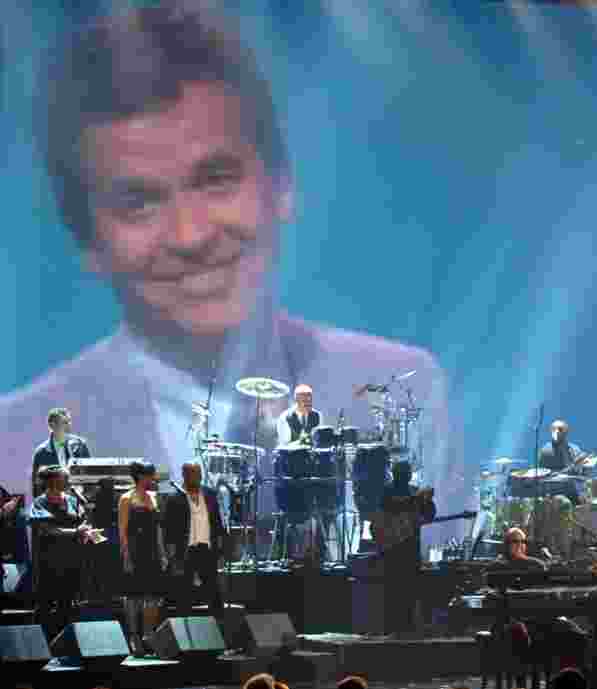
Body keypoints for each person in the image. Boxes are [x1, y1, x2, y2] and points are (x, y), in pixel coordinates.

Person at [0, 3, 459, 533]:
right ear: (87, 240)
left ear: (282, 184)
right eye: (139, 203)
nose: (190, 235)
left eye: (216, 178)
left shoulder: (401, 386)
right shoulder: (12, 444)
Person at [29, 466, 94, 637]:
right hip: (49, 560)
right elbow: (47, 530)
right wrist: (75, 532)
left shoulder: (73, 500)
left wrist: (85, 529)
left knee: (68, 601)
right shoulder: (40, 502)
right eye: (65, 478)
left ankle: (65, 642)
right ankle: (44, 642)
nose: (68, 481)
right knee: (47, 603)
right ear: (53, 481)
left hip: (71, 558)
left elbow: (83, 519)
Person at [373, 460, 436, 633]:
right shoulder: (387, 491)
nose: (405, 475)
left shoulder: (415, 492)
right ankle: (392, 628)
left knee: (410, 591)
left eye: (407, 472)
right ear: (395, 473)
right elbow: (393, 506)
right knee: (393, 592)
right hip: (392, 549)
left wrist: (428, 501)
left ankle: (408, 628)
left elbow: (429, 515)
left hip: (410, 547)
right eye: (401, 472)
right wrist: (417, 498)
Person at [164, 462, 226, 619]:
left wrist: (220, 552)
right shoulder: (175, 498)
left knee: (213, 592)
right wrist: (173, 558)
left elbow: (217, 524)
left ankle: (220, 627)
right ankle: (185, 630)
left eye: (199, 473)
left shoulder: (210, 494)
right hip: (185, 550)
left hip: (207, 549)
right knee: (184, 593)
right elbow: (169, 531)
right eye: (193, 474)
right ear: (184, 475)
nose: (198, 477)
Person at [118, 461, 166, 656]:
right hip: (135, 552)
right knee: (133, 597)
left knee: (153, 596)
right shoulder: (126, 499)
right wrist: (126, 557)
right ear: (140, 476)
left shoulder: (154, 498)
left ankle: (149, 633)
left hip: (152, 552)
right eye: (150, 475)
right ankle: (134, 636)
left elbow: (158, 529)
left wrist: (162, 553)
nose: (153, 478)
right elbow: (122, 531)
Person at [31, 408, 90, 497]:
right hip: (53, 503)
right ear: (52, 425)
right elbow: (37, 485)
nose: (69, 426)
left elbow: (89, 475)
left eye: (69, 421)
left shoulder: (80, 445)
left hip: (78, 501)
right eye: (64, 422)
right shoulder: (41, 452)